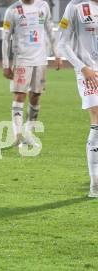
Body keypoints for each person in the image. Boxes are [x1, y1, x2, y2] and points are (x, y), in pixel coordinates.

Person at [2, 0, 62, 146]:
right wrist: (5, 64)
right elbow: (5, 39)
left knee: (35, 96)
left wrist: (57, 54)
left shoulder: (43, 6)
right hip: (21, 60)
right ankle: (17, 136)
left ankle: (28, 133)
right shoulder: (12, 10)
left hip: (40, 60)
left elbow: (49, 29)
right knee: (20, 95)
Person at [57, 0, 98, 197]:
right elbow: (62, 43)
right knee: (97, 116)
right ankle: (95, 185)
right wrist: (83, 68)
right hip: (88, 73)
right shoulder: (75, 6)